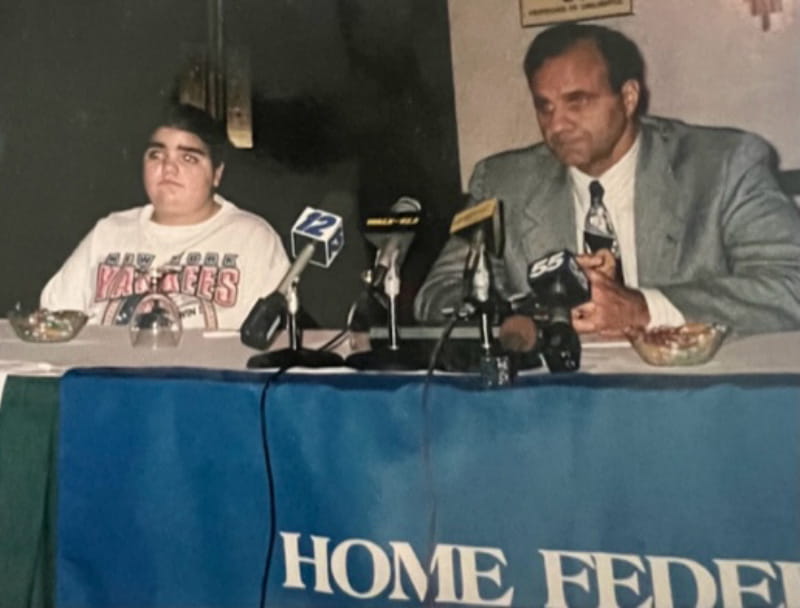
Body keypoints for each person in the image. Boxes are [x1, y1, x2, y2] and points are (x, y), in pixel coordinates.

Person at [414, 22, 800, 336]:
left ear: (629, 97)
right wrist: (531, 314)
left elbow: (790, 284)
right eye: (544, 106)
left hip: (689, 398)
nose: (557, 125)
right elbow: (438, 294)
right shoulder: (502, 182)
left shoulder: (723, 167)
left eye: (577, 102)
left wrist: (641, 307)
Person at [40, 104, 290, 330]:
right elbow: (54, 319)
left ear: (217, 173)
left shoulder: (252, 239)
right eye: (156, 155)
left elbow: (275, 337)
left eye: (188, 157)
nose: (168, 168)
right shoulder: (110, 231)